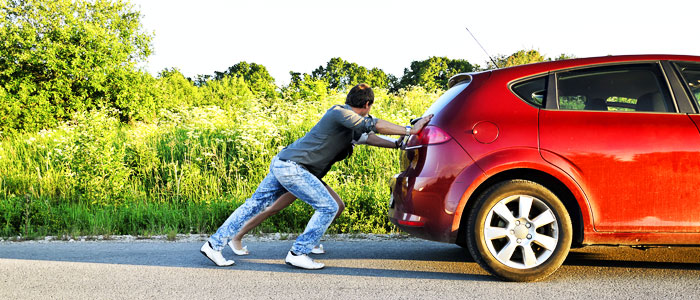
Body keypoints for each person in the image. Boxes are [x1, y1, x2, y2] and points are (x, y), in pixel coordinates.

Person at [200, 83, 432, 269]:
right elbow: (373, 126)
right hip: (293, 167)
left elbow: (368, 137)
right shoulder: (339, 112)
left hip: (286, 164)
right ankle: (298, 253)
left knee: (255, 205)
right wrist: (412, 129)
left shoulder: (348, 123)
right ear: (368, 104)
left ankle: (213, 244)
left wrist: (397, 144)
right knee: (328, 206)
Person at [228, 131, 388, 256]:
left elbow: (371, 138)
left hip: (312, 176)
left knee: (337, 206)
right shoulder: (339, 135)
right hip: (299, 174)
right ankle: (237, 237)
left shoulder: (352, 136)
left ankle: (310, 241)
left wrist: (398, 142)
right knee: (273, 208)